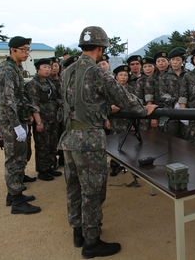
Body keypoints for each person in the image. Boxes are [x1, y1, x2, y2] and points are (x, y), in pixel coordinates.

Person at [58, 26, 156, 258]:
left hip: (69, 137)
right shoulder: (98, 72)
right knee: (92, 190)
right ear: (101, 48)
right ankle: (92, 242)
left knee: (74, 187)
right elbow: (124, 99)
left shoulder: (66, 71)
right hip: (89, 140)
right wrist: (145, 110)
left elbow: (81, 101)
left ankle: (78, 231)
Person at [0, 36, 40, 214]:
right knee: (14, 159)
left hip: (16, 119)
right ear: (13, 49)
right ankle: (17, 201)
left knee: (20, 157)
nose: (27, 53)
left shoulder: (16, 68)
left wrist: (28, 113)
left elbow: (20, 98)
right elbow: (7, 102)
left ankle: (13, 193)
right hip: (10, 120)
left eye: (29, 49)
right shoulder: (6, 70)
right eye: (24, 49)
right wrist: (16, 125)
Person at [25, 58, 62, 181]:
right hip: (43, 120)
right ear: (38, 69)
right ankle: (42, 170)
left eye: (49, 67)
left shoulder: (49, 83)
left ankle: (50, 166)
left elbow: (53, 100)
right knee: (42, 146)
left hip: (53, 119)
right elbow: (34, 105)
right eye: (44, 67)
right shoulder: (34, 84)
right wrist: (39, 122)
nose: (47, 70)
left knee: (52, 145)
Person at [157, 47, 188, 138]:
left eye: (178, 60)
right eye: (172, 60)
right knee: (171, 139)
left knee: (188, 139)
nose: (174, 62)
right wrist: (174, 102)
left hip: (186, 111)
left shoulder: (188, 74)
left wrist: (182, 104)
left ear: (182, 61)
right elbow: (163, 92)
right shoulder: (164, 76)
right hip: (171, 112)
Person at [145, 51, 170, 129]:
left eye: (163, 61)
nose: (161, 63)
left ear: (168, 62)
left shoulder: (173, 76)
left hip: (171, 110)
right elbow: (149, 98)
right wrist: (153, 116)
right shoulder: (151, 78)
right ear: (155, 64)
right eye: (158, 61)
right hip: (157, 111)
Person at [49, 56, 65, 167]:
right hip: (52, 113)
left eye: (56, 66)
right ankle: (52, 161)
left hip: (64, 112)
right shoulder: (48, 80)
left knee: (64, 134)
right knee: (53, 137)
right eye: (52, 66)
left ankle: (63, 158)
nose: (54, 68)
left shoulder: (63, 78)